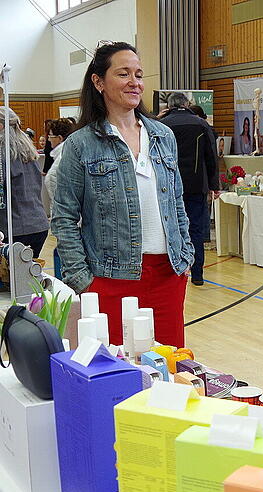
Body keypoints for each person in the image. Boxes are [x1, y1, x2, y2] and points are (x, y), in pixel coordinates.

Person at [51, 41, 193, 347]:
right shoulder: (81, 145)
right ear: (99, 81)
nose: (135, 82)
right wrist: (84, 280)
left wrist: (187, 254)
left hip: (169, 275)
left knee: (169, 367)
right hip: (110, 280)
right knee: (118, 371)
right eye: (124, 73)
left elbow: (176, 202)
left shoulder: (162, 135)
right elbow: (63, 217)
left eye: (139, 74)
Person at [160, 92, 220, 286]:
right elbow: (211, 157)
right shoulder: (201, 124)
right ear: (187, 104)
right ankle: (198, 274)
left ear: (168, 105)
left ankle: (173, 271)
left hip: (167, 186)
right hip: (196, 185)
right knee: (195, 230)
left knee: (169, 228)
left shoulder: (162, 125)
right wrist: (214, 185)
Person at [0, 107, 50, 257]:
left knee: (12, 278)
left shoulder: (3, 155)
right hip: (38, 225)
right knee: (29, 277)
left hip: (14, 229)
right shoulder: (28, 151)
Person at [43, 118, 76, 217]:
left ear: (60, 138)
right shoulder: (66, 155)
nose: (48, 139)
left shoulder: (62, 161)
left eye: (51, 136)